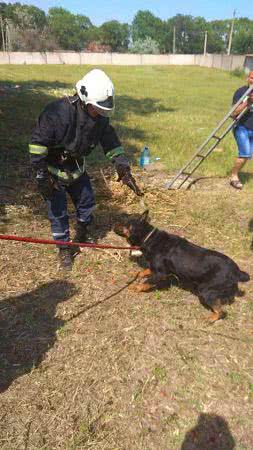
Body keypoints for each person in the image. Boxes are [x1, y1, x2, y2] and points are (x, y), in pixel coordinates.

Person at [29, 69, 142, 271]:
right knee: (58, 211)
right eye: (96, 108)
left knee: (87, 202)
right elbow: (37, 144)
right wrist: (41, 175)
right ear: (83, 98)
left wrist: (123, 168)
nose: (100, 113)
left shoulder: (100, 119)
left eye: (104, 109)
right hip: (53, 170)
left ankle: (82, 233)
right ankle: (64, 248)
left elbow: (111, 143)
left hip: (77, 168)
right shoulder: (56, 113)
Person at [230, 70, 253, 189]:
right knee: (245, 154)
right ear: (247, 78)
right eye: (252, 78)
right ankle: (234, 176)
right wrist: (247, 103)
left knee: (248, 156)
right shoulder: (241, 92)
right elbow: (233, 113)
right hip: (241, 127)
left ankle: (235, 173)